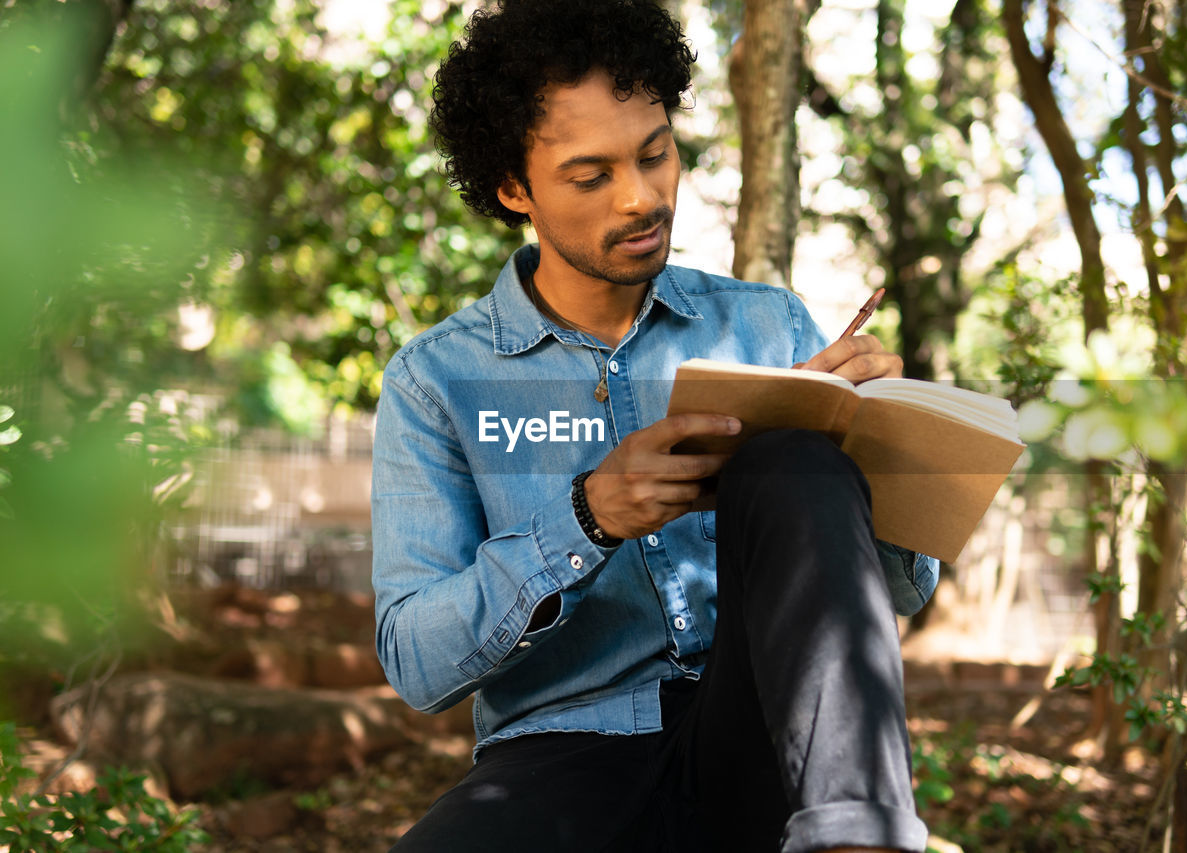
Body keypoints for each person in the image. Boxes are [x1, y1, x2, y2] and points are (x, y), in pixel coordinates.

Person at [371, 1, 939, 850]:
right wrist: (587, 517)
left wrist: (876, 449)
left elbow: (905, 591)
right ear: (514, 187)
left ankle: (860, 843)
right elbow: (418, 663)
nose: (642, 197)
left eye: (656, 153)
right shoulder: (435, 380)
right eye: (591, 175)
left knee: (795, 460)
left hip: (763, 738)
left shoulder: (768, 325)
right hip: (560, 755)